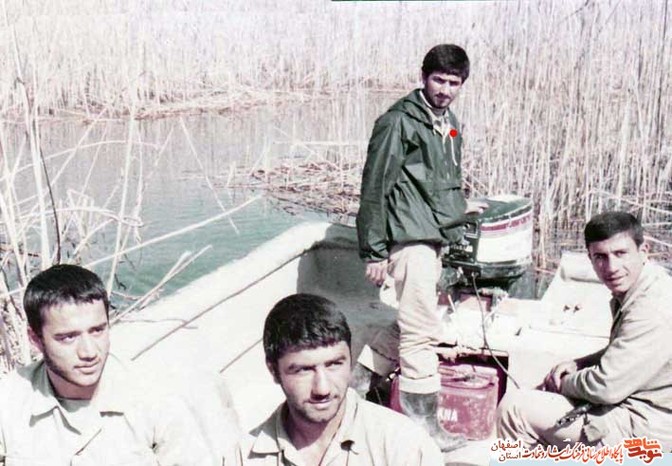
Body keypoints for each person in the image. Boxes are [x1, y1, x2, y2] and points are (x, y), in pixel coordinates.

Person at [355, 43, 486, 451]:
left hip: (433, 236)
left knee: (412, 321)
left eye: (454, 83)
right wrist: (374, 251)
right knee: (420, 334)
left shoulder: (448, 123)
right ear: (423, 77)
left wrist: (460, 208)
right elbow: (374, 186)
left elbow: (438, 180)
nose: (445, 90)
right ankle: (424, 426)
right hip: (409, 241)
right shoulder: (398, 121)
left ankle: (356, 384)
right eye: (438, 80)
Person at [0, 264, 216, 465]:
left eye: (97, 331)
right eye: (68, 337)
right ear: (36, 339)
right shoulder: (8, 402)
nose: (89, 352)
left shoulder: (156, 397)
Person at [497, 211, 672, 451]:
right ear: (590, 258)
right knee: (538, 399)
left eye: (620, 254)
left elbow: (606, 387)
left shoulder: (653, 307)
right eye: (600, 257)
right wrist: (581, 363)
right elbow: (625, 349)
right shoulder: (647, 285)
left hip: (649, 428)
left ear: (644, 251)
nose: (611, 267)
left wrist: (563, 383)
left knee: (515, 410)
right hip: (637, 408)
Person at [237, 293, 443, 465]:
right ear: (274, 371)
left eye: (334, 364)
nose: (322, 389)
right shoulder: (243, 458)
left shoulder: (404, 446)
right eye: (303, 370)